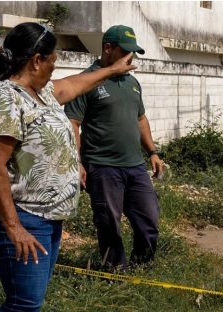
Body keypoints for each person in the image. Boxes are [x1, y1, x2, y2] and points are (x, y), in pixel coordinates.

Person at [0, 22, 135, 312]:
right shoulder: (3, 100)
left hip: (46, 215)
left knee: (30, 301)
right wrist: (14, 227)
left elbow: (74, 85)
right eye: (53, 60)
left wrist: (111, 71)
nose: (56, 68)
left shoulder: (39, 93)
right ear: (36, 60)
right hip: (20, 214)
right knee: (24, 301)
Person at [65, 25, 164, 271]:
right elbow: (73, 123)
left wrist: (152, 151)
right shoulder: (87, 81)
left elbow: (140, 118)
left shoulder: (132, 83)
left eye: (133, 53)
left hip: (135, 166)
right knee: (109, 223)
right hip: (103, 167)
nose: (130, 58)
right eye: (125, 52)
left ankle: (141, 267)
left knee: (149, 220)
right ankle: (115, 274)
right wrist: (76, 161)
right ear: (108, 49)